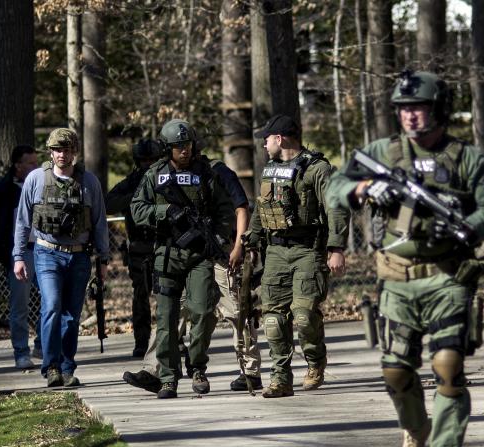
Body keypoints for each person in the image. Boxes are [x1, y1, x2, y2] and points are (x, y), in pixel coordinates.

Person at [326, 70, 484, 447]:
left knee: (447, 363)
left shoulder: (466, 157)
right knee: (395, 371)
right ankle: (414, 430)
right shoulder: (382, 152)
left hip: (448, 276)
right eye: (404, 109)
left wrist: (467, 226)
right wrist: (367, 189)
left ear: (438, 108)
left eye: (418, 108)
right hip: (396, 277)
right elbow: (336, 186)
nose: (410, 116)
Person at [122, 152, 263, 393]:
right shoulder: (168, 173)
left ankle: (249, 370)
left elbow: (241, 208)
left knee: (236, 310)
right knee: (173, 314)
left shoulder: (216, 171)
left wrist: (239, 246)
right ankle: (154, 370)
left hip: (222, 252)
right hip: (192, 254)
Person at [245, 114, 348, 399]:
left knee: (303, 316)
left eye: (266, 139)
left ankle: (315, 362)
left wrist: (336, 248)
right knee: (274, 320)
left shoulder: (318, 170)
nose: (264, 145)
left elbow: (336, 208)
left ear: (280, 138)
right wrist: (249, 241)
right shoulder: (270, 169)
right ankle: (281, 379)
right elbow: (261, 209)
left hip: (308, 250)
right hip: (276, 252)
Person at [130, 119, 234, 399]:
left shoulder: (205, 174)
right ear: (167, 149)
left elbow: (226, 210)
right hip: (167, 254)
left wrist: (220, 237)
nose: (184, 151)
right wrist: (165, 213)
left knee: (201, 312)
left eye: (187, 145)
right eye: (178, 147)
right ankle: (167, 377)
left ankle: (198, 367)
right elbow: (137, 209)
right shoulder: (155, 175)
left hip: (199, 255)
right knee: (166, 319)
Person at [13, 128, 110, 388]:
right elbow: (23, 221)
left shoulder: (89, 182)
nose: (62, 155)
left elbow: (100, 222)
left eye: (66, 150)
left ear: (74, 152)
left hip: (79, 257)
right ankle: (51, 366)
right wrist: (19, 256)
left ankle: (67, 367)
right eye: (57, 150)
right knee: (52, 306)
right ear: (50, 152)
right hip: (46, 253)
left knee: (71, 316)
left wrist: (103, 260)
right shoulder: (36, 179)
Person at [0, 144, 40, 369]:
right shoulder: (1, 190)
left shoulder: (43, 185)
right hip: (20, 252)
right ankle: (21, 353)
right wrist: (7, 242)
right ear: (17, 165)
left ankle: (43, 346)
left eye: (37, 162)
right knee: (20, 305)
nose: (36, 167)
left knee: (52, 301)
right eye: (31, 163)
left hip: (44, 249)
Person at [106, 138, 162, 357]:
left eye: (152, 160)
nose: (147, 164)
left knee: (169, 298)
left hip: (164, 248)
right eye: (143, 160)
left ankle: (174, 341)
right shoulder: (133, 181)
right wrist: (136, 198)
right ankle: (141, 342)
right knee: (140, 298)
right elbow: (109, 202)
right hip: (139, 249)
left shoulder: (166, 178)